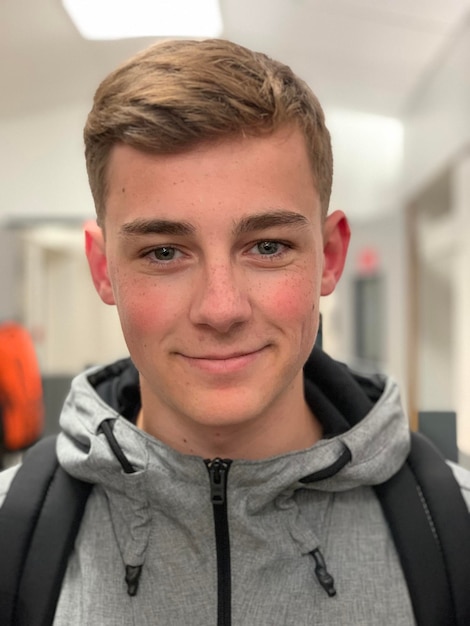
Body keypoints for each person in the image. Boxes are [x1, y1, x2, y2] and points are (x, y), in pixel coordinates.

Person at [0, 38, 469, 626]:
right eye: (165, 251)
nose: (220, 310)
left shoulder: (453, 536)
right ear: (104, 268)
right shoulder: (13, 540)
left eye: (268, 247)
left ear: (328, 256)